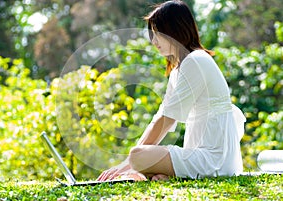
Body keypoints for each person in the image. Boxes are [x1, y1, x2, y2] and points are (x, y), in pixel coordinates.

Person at [97, 0, 246, 181]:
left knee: (138, 156)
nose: (153, 40)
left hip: (214, 160)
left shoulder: (196, 61)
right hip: (198, 155)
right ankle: (159, 175)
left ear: (175, 30)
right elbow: (160, 116)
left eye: (157, 33)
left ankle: (148, 172)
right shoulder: (179, 68)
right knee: (138, 155)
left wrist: (128, 162)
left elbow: (167, 120)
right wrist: (131, 159)